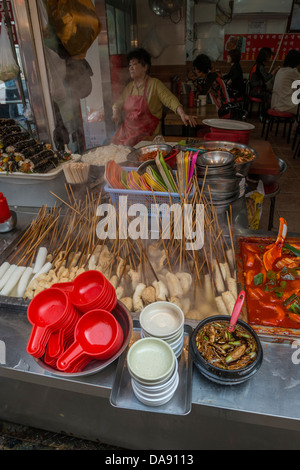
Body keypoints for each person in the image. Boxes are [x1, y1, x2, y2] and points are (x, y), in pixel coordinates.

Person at [111, 48, 197, 146]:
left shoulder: (154, 84)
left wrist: (182, 114)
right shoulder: (129, 87)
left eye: (134, 65)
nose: (130, 68)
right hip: (127, 135)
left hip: (148, 138)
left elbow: (170, 99)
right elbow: (118, 103)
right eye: (130, 65)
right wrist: (116, 113)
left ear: (145, 67)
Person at [249, 47, 280, 112]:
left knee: (272, 94)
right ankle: (266, 115)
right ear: (265, 56)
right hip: (256, 91)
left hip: (255, 90)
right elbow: (266, 78)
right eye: (269, 56)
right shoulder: (260, 66)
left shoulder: (258, 65)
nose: (270, 58)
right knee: (271, 97)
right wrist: (273, 72)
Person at [271, 49, 300, 115]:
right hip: (285, 105)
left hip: (275, 104)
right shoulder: (293, 71)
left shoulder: (280, 70)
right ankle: (294, 125)